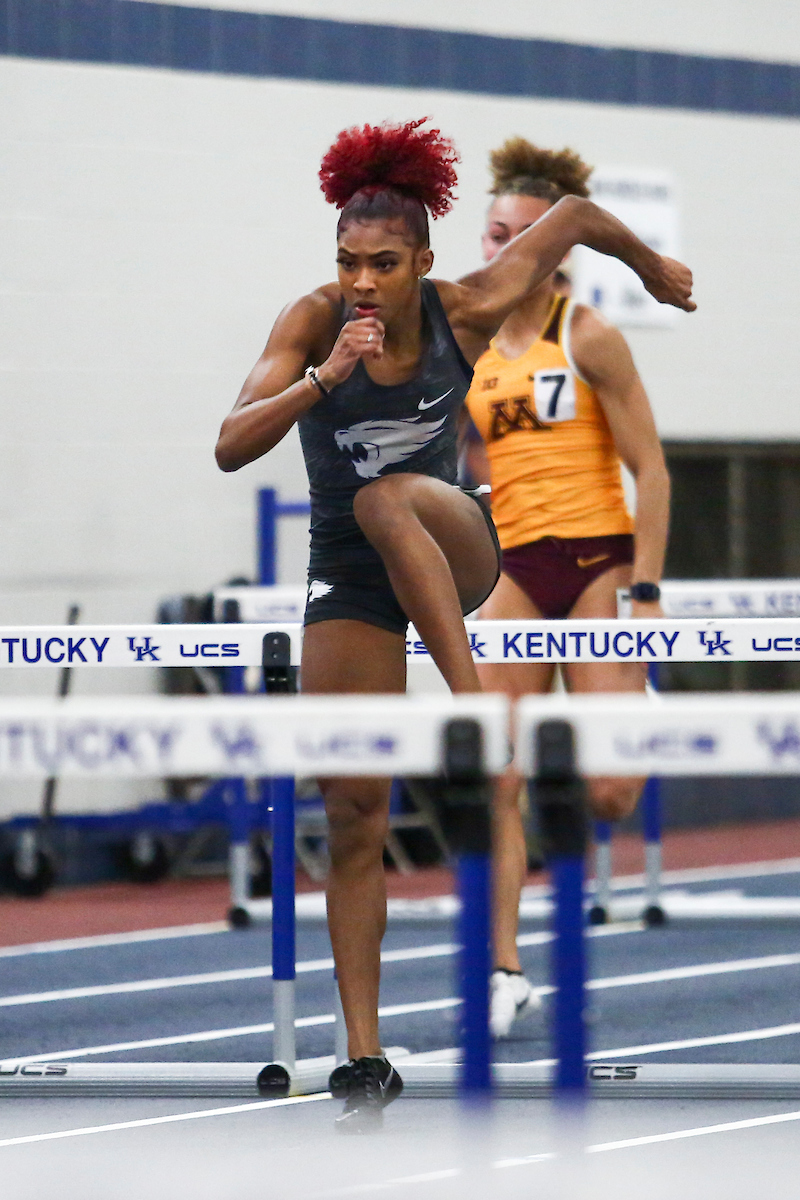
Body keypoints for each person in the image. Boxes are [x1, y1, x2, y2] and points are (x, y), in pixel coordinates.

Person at [215, 119, 693, 1127]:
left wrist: (649, 268)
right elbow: (228, 444)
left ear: (423, 264)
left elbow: (572, 216)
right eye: (347, 262)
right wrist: (321, 379)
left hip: (456, 541)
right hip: (349, 577)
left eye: (383, 265)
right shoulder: (310, 322)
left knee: (387, 495)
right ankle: (363, 1057)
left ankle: (471, 718)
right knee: (354, 810)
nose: (361, 283)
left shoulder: (465, 306)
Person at [463, 138, 672, 1039]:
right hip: (515, 569)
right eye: (493, 234)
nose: (502, 250)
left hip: (597, 565)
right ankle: (504, 968)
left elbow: (652, 470)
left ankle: (632, 704)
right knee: (495, 773)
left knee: (613, 794)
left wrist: (647, 593)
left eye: (521, 234)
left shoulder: (586, 334)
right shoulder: (468, 346)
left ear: (555, 247)